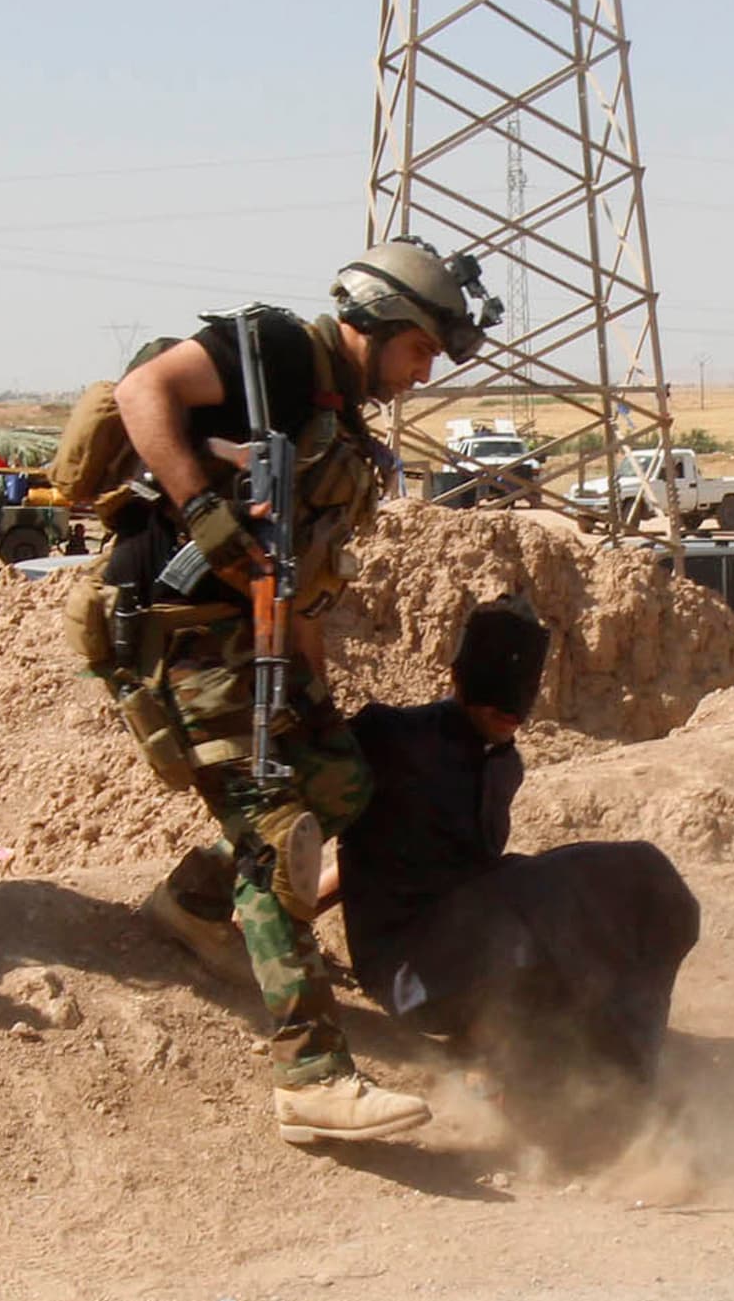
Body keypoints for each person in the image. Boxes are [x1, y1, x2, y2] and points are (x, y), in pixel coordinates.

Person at [87, 234, 500, 1145]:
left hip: (253, 635)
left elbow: (300, 574)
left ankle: (196, 902)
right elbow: (140, 393)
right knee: (282, 835)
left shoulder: (343, 426)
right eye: (421, 350)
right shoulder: (273, 352)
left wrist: (312, 694)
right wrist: (204, 507)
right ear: (382, 321)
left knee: (348, 782)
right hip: (170, 623)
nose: (422, 374)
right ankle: (311, 1076)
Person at [335, 596, 700, 1101]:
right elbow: (307, 804)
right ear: (459, 677)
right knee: (560, 889)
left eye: (520, 694)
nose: (509, 711)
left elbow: (440, 858)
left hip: (482, 952)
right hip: (410, 970)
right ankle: (616, 1080)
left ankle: (620, 1061)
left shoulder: (504, 766)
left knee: (646, 881)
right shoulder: (391, 737)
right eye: (494, 693)